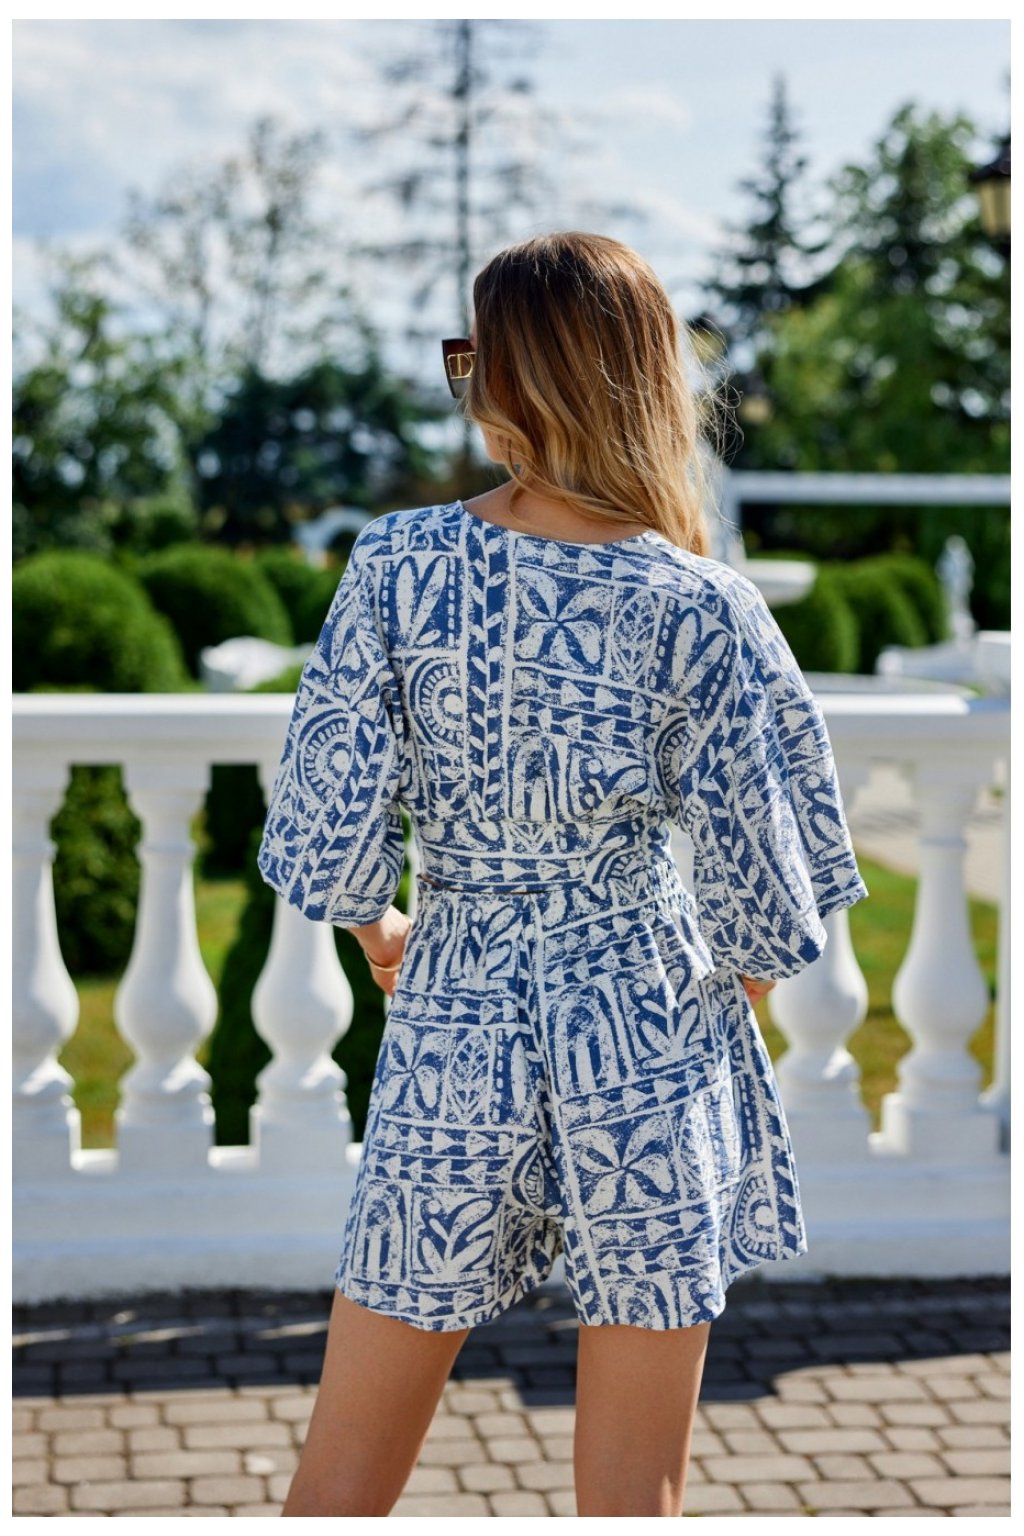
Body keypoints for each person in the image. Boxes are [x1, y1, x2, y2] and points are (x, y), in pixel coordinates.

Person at [256, 230, 869, 1517]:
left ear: (512, 377)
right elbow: (771, 896)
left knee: (343, 1476)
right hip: (644, 1020)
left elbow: (326, 818)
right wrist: (710, 1014)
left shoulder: (397, 566)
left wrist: (386, 936)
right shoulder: (702, 606)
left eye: (472, 357)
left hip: (456, 1013)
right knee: (633, 1495)